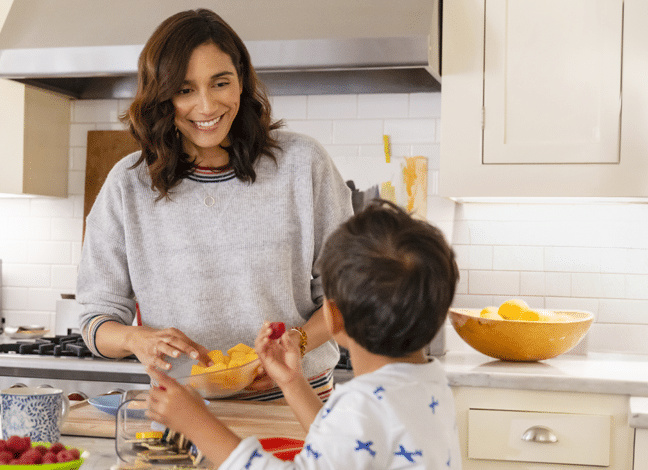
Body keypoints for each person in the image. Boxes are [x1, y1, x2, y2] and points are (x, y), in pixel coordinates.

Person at [76, 8, 353, 401]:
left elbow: (347, 295)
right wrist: (137, 339)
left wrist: (297, 343)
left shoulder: (304, 164)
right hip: (184, 415)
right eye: (185, 90)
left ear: (241, 81)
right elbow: (96, 319)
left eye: (220, 83)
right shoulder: (128, 184)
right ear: (161, 96)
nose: (206, 107)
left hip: (297, 406)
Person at [147, 200, 463, 469]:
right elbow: (345, 453)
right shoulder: (431, 386)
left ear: (333, 318)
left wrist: (198, 424)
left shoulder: (359, 403)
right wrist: (293, 384)